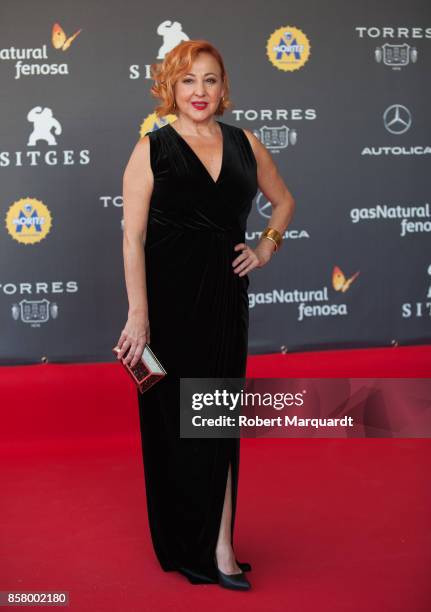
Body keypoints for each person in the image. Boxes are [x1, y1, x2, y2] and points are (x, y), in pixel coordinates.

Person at [115, 39, 295, 590]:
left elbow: (284, 202)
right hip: (166, 310)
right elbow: (133, 237)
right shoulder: (152, 149)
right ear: (171, 87)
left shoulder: (246, 144)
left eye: (210, 80)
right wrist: (138, 316)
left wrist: (265, 246)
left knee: (215, 421)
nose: (200, 91)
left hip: (223, 304)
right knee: (174, 429)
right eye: (189, 80)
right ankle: (182, 537)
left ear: (223, 90)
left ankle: (220, 546)